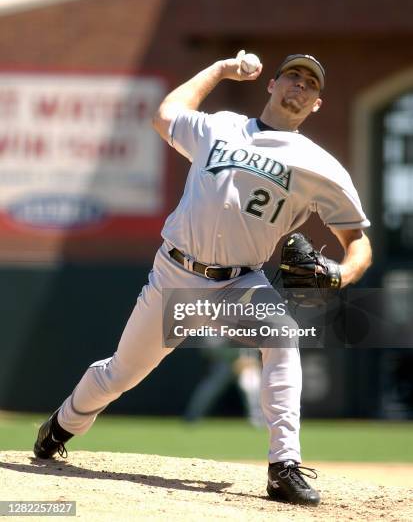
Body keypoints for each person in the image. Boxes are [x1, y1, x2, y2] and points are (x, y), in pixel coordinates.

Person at [33, 50, 372, 506]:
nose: (300, 86)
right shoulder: (221, 127)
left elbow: (358, 241)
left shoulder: (320, 167)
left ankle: (284, 465)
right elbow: (165, 115)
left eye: (310, 85)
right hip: (175, 274)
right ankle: (61, 426)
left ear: (316, 105)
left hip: (239, 283)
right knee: (120, 375)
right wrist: (220, 69)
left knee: (283, 336)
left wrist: (342, 274)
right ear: (271, 84)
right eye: (292, 76)